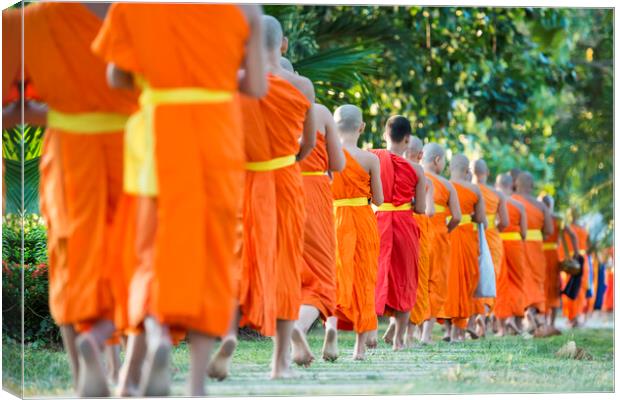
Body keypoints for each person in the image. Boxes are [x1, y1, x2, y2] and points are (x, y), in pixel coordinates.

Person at [93, 3, 267, 395]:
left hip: (159, 132)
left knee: (152, 248)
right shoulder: (246, 9)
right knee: (211, 253)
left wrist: (162, 80)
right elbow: (256, 86)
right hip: (216, 134)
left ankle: (153, 335)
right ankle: (195, 385)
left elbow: (116, 76)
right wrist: (215, 77)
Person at [2, 3, 138, 396]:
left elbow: (10, 111)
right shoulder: (146, 13)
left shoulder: (29, 22)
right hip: (136, 151)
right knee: (132, 260)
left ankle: (85, 371)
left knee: (72, 258)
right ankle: (130, 368)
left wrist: (52, 112)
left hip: (71, 154)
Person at [287, 59, 346, 364]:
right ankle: (299, 326)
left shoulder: (262, 100)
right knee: (322, 273)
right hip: (314, 191)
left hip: (278, 185)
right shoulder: (319, 111)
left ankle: (289, 330)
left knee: (288, 268)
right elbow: (337, 163)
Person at [325, 104, 382, 360]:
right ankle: (359, 350)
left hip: (335, 219)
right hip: (362, 219)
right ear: (361, 127)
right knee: (364, 278)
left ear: (334, 127)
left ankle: (331, 329)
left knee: (335, 275)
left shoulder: (327, 154)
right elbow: (379, 199)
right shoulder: (370, 159)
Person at [371, 116, 426, 351]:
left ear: (385, 135)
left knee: (373, 275)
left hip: (377, 223)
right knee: (405, 279)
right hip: (404, 224)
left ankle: (367, 335)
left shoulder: (371, 157)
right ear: (407, 139)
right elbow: (421, 209)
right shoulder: (417, 170)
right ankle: (399, 340)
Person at [417, 143, 462, 343]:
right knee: (436, 283)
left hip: (416, 234)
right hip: (438, 237)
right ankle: (426, 334)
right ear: (437, 160)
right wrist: (446, 230)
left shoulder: (414, 177)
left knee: (418, 282)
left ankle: (414, 332)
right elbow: (457, 217)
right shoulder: (446, 185)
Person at [438, 154, 486, 342]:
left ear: (449, 168)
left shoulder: (442, 185)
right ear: (468, 171)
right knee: (467, 278)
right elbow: (481, 218)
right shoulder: (474, 189)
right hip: (466, 235)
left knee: (447, 279)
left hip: (447, 232)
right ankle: (462, 328)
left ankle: (449, 329)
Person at [404, 136, 436, 345]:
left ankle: (393, 327)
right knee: (420, 279)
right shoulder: (425, 179)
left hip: (398, 222)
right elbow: (429, 210)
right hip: (419, 228)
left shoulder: (394, 170)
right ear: (421, 155)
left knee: (402, 276)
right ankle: (410, 332)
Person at [513, 172, 553, 334]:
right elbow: (549, 230)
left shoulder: (512, 201)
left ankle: (516, 317)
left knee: (518, 278)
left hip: (516, 242)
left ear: (516, 184)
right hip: (536, 245)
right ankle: (532, 310)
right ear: (531, 186)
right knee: (536, 278)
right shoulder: (541, 206)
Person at [472, 159, 509, 335]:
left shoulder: (464, 190)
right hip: (492, 237)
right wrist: (493, 227)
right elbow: (506, 222)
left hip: (471, 235)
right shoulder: (498, 195)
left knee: (471, 275)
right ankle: (484, 312)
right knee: (490, 277)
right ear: (487, 172)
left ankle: (471, 317)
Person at [493, 174, 528, 336]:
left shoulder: (495, 201)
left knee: (500, 283)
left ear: (497, 185)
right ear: (511, 185)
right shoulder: (519, 206)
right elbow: (525, 233)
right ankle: (517, 322)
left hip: (499, 242)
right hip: (515, 244)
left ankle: (501, 327)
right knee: (517, 282)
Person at [539, 194, 563, 335]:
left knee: (544, 286)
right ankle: (551, 323)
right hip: (553, 254)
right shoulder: (557, 220)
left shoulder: (540, 218)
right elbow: (568, 236)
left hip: (541, 254)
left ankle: (544, 321)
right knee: (553, 287)